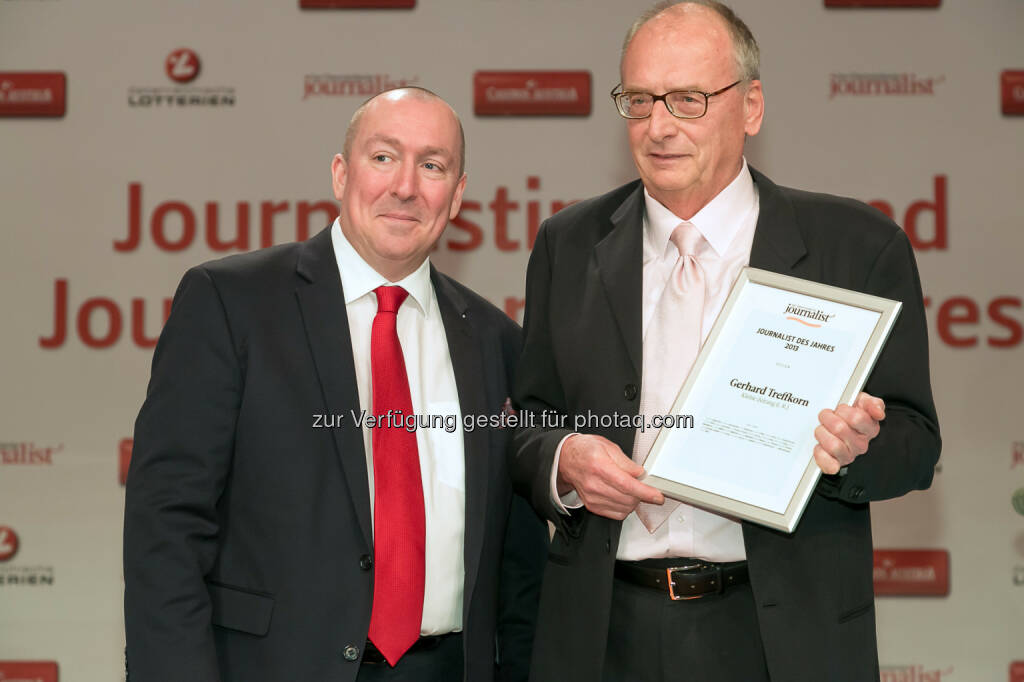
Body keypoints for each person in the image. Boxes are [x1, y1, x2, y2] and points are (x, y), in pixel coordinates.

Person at [510, 3, 940, 681]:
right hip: (603, 633)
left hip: (780, 636)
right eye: (640, 100)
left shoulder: (855, 246)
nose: (658, 127)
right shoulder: (568, 244)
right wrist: (564, 460)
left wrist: (857, 449)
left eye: (687, 99)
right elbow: (526, 421)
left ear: (751, 106)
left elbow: (916, 445)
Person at [124, 87, 547, 682]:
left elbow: (520, 567)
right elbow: (166, 527)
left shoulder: (499, 343)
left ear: (456, 197)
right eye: (383, 157)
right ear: (340, 173)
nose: (405, 185)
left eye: (432, 165)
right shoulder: (232, 304)